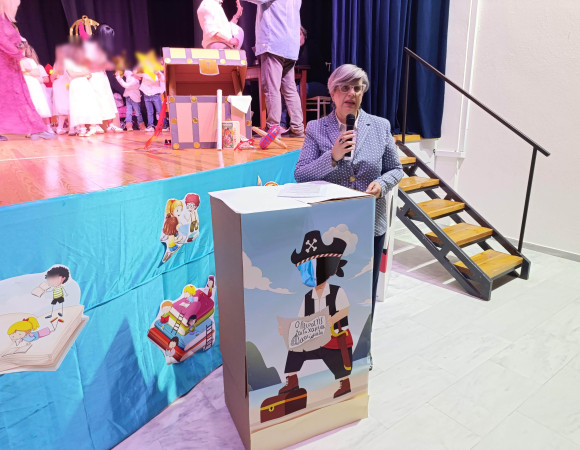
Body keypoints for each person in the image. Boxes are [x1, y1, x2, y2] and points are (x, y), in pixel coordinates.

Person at [294, 64, 403, 319]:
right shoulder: (316, 128)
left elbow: (395, 169)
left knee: (364, 291)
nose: (351, 93)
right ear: (333, 93)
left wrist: (382, 184)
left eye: (357, 87)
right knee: (331, 293)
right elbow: (300, 174)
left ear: (363, 93)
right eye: (344, 88)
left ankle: (363, 339)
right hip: (329, 229)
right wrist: (331, 157)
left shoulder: (380, 126)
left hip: (370, 223)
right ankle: (331, 337)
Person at [244, 0, 304, 137]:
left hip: (274, 43)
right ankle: (297, 127)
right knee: (289, 89)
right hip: (290, 46)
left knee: (271, 88)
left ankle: (273, 128)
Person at [0, 0, 55, 141]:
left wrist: (18, 49)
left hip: (11, 67)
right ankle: (37, 128)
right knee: (10, 98)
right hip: (5, 67)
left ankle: (37, 128)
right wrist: (18, 52)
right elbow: (3, 41)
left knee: (20, 97)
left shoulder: (5, 20)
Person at [84, 24, 123, 133]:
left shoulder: (101, 47)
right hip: (94, 77)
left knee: (107, 99)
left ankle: (110, 124)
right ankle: (95, 125)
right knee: (97, 100)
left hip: (102, 76)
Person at [65, 43, 102, 136]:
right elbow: (72, 74)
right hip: (75, 85)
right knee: (77, 106)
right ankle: (82, 128)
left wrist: (83, 73)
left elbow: (89, 74)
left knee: (88, 104)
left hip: (84, 84)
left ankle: (93, 127)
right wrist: (83, 73)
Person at [20, 41, 53, 134]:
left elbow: (37, 73)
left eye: (23, 50)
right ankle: (33, 129)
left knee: (40, 104)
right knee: (29, 107)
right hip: (24, 85)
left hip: (33, 84)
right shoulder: (16, 62)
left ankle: (48, 127)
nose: (22, 52)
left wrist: (26, 71)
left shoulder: (30, 61)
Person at [51, 44, 71, 134]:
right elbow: (52, 78)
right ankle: (60, 127)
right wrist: (55, 74)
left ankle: (69, 127)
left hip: (66, 85)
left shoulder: (70, 63)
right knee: (62, 107)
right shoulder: (57, 64)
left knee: (68, 107)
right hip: (59, 86)